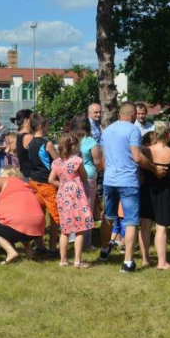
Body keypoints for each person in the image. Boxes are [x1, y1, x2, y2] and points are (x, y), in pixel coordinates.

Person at [99, 102, 168, 273]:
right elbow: (137, 157)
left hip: (109, 180)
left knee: (108, 216)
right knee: (130, 221)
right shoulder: (133, 130)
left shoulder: (107, 130)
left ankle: (104, 251)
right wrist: (154, 168)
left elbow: (103, 159)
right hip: (128, 181)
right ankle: (128, 262)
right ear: (132, 114)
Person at [139, 121, 170, 270]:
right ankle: (162, 262)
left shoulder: (145, 151)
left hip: (147, 189)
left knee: (145, 226)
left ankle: (145, 259)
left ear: (155, 134)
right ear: (169, 134)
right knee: (161, 227)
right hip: (165, 191)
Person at [49, 133, 94, 268]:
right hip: (77, 194)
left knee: (65, 229)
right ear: (73, 146)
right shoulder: (77, 160)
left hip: (63, 195)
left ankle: (63, 260)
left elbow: (51, 180)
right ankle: (77, 261)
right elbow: (84, 177)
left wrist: (63, 184)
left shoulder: (57, 162)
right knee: (80, 228)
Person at [28, 113, 60, 252]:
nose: (48, 128)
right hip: (47, 184)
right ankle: (52, 248)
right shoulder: (47, 144)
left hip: (34, 182)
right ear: (41, 126)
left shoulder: (30, 143)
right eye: (47, 125)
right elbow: (58, 162)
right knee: (55, 216)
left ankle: (40, 245)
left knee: (39, 215)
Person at [71, 113, 102, 251]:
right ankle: (86, 243)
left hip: (72, 177)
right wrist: (97, 171)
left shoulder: (69, 140)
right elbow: (98, 162)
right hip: (88, 177)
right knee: (87, 209)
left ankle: (73, 237)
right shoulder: (90, 141)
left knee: (74, 208)